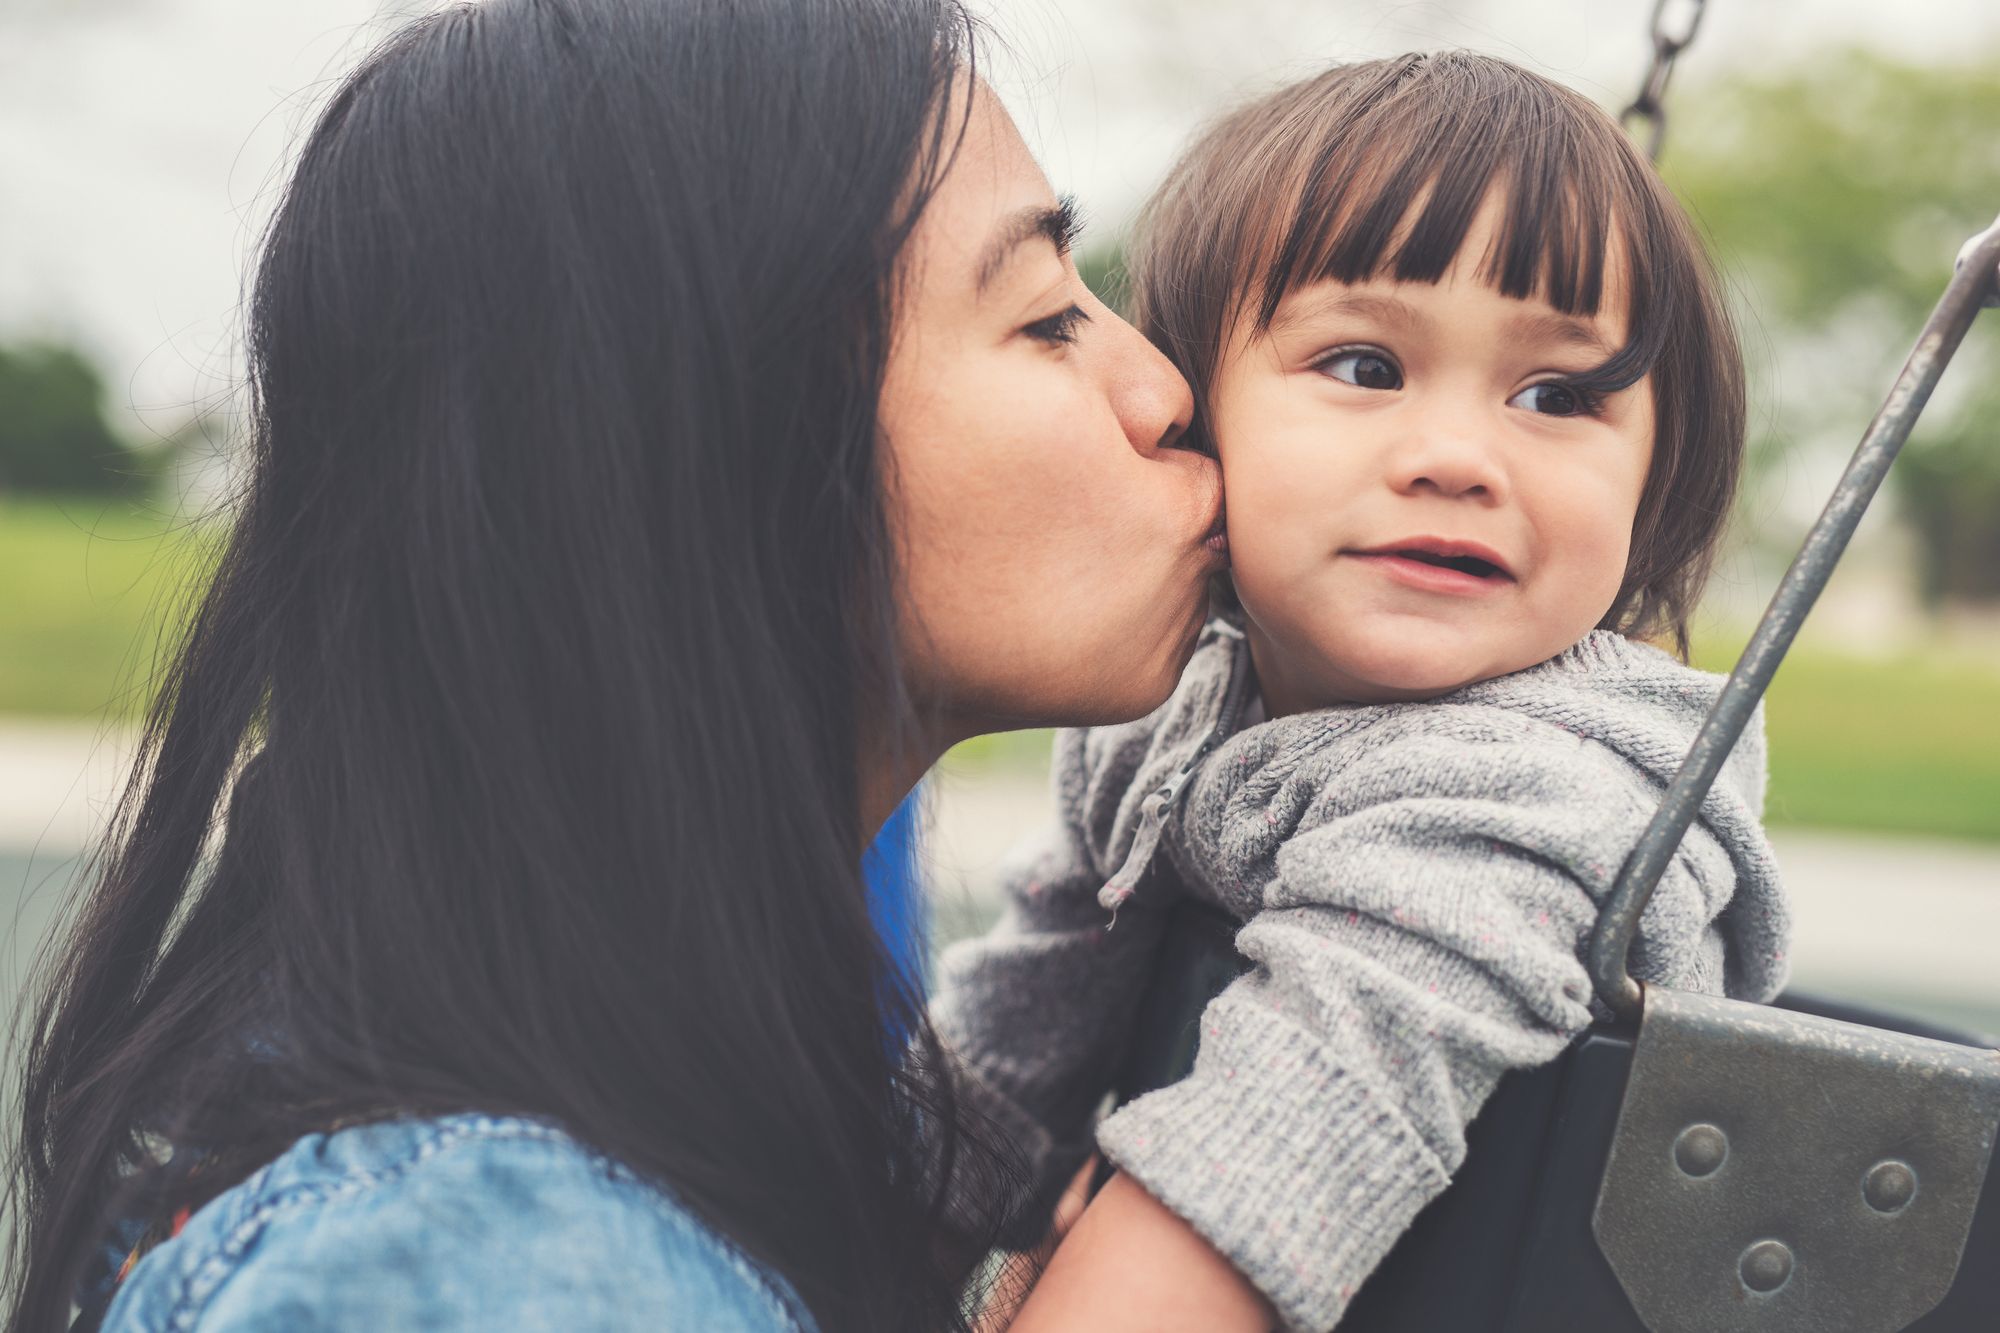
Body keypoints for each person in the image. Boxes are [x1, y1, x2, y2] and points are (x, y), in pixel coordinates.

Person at [4, 2, 1233, 1330]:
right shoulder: (499, 1271)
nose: (1165, 390)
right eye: (1049, 316)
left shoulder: (547, 1166)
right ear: (710, 459)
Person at [939, 52, 1792, 1332]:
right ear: (1190, 407)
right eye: (1363, 368)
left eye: (1554, 395)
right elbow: (1016, 1041)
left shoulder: (1541, 791)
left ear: (1656, 478)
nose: (1456, 458)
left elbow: (1279, 1146)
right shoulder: (1178, 700)